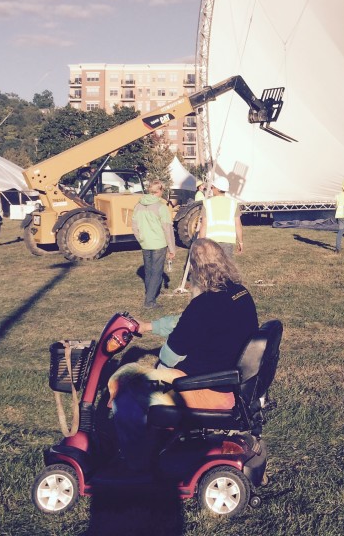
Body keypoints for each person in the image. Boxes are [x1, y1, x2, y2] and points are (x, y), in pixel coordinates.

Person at [107, 238, 258, 469]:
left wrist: (158, 374)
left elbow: (169, 357)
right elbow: (185, 321)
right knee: (139, 378)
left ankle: (135, 460)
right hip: (230, 383)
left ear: (194, 269)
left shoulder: (203, 305)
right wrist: (149, 326)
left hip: (207, 390)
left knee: (126, 391)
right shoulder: (239, 294)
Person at [131, 181, 176, 309]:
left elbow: (134, 226)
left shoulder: (138, 205)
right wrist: (172, 248)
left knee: (148, 271)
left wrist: (141, 239)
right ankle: (150, 301)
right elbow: (167, 229)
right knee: (157, 272)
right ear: (160, 191)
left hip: (145, 243)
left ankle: (150, 293)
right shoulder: (161, 207)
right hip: (158, 243)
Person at [197, 175, 243, 257]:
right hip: (228, 241)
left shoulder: (207, 203)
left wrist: (200, 244)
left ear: (217, 189)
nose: (211, 189)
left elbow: (204, 226)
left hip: (210, 242)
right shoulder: (233, 203)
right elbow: (238, 225)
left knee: (212, 267)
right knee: (226, 268)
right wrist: (240, 242)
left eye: (212, 187)